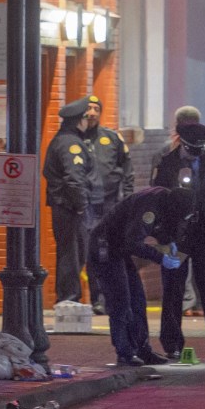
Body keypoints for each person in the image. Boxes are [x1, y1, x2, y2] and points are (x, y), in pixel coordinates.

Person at [151, 108, 205, 360]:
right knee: (174, 290)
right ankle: (173, 344)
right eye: (191, 150)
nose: (194, 155)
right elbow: (155, 199)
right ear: (182, 144)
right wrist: (163, 235)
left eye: (199, 150)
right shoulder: (167, 164)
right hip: (177, 236)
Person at [87, 185, 194, 366]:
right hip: (105, 247)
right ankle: (125, 353)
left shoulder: (163, 200)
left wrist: (168, 242)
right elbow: (133, 242)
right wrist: (161, 257)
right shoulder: (149, 206)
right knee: (121, 301)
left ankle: (142, 349)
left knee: (137, 299)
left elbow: (159, 228)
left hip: (118, 249)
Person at [82, 95, 135, 315]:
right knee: (91, 253)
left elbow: (128, 171)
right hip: (86, 207)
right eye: (89, 108)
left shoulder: (113, 138)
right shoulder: (75, 139)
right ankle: (98, 298)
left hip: (111, 205)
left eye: (96, 108)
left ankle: (112, 296)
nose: (92, 112)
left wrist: (129, 201)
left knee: (111, 252)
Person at [43, 96, 95, 304]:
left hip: (66, 206)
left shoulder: (63, 140)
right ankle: (69, 298)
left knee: (72, 253)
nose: (87, 122)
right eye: (85, 118)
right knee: (72, 254)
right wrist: (82, 206)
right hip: (70, 208)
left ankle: (68, 297)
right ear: (78, 120)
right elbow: (74, 179)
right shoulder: (70, 144)